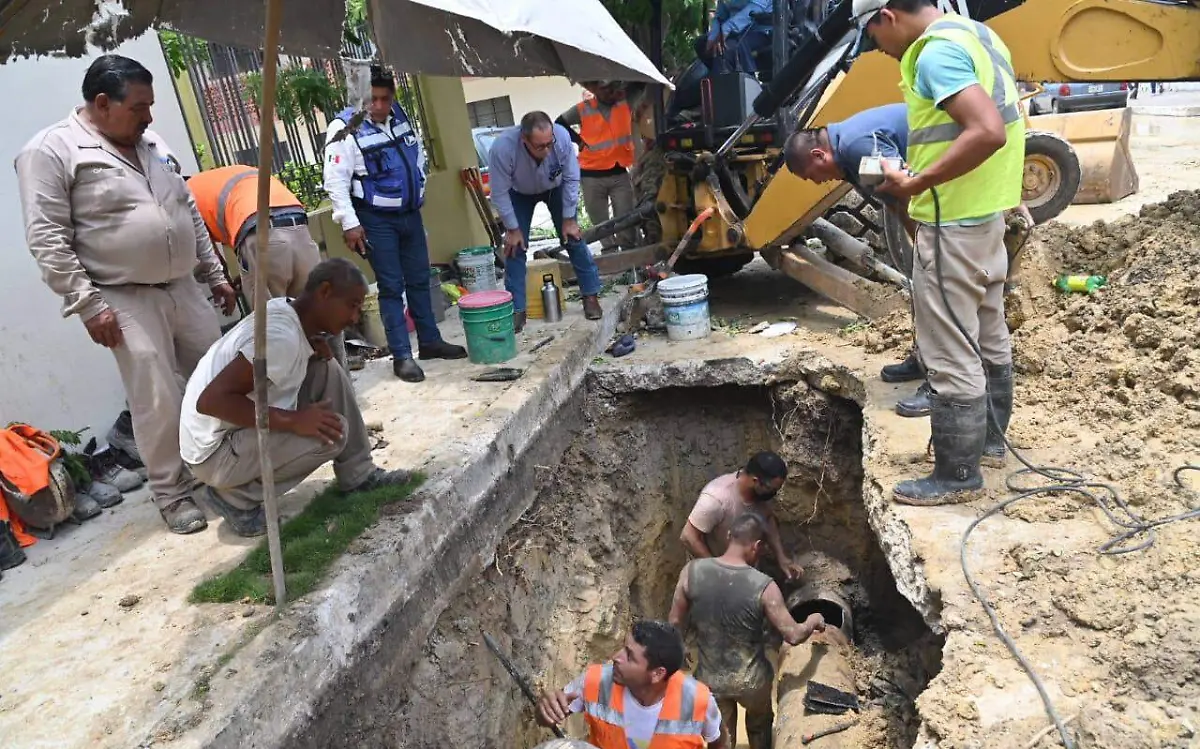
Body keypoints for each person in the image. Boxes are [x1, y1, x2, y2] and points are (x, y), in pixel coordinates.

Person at [15, 54, 237, 535]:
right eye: (139, 107)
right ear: (101, 103)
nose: (150, 116)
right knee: (155, 396)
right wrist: (89, 306)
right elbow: (47, 238)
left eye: (151, 105)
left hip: (183, 285)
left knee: (221, 376)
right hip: (122, 296)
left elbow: (187, 209)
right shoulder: (52, 151)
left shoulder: (150, 142)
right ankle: (173, 493)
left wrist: (214, 271)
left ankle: (227, 472)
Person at [853, 0, 1024, 504]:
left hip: (953, 222)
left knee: (950, 351)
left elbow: (987, 130)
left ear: (886, 15)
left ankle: (957, 476)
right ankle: (990, 444)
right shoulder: (978, 36)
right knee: (989, 334)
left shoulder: (934, 55)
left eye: (871, 36)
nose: (877, 49)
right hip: (986, 215)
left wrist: (916, 182)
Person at [179, 259, 412, 537]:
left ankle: (359, 474)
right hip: (213, 454)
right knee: (332, 434)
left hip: (229, 436)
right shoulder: (281, 339)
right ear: (324, 292)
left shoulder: (287, 312)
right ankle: (235, 500)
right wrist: (293, 421)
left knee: (325, 367)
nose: (354, 317)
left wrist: (307, 348)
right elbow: (211, 402)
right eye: (351, 305)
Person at [323, 65, 466, 383]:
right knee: (392, 288)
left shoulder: (398, 116)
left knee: (419, 278)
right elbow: (335, 180)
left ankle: (429, 341)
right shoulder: (345, 127)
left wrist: (420, 189)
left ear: (392, 97)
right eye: (371, 99)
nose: (377, 106)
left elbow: (417, 155)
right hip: (375, 219)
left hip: (410, 215)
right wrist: (349, 223)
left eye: (384, 99)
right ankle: (402, 356)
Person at [669, 513, 826, 749]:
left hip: (710, 680)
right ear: (758, 546)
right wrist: (813, 619)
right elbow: (792, 634)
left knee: (720, 738)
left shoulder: (691, 572)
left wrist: (679, 651)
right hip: (752, 681)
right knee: (760, 726)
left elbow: (674, 622)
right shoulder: (763, 585)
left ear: (730, 536)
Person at [488, 111, 604, 333]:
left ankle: (590, 296)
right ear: (524, 140)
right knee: (515, 248)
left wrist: (569, 219)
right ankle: (517, 310)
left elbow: (571, 178)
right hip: (519, 193)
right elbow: (499, 193)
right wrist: (512, 228)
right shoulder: (502, 149)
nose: (547, 150)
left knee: (573, 238)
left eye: (549, 144)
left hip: (555, 188)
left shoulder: (560, 138)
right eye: (539, 146)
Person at [536, 620, 730, 749]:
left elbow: (719, 741)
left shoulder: (696, 700)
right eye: (623, 648)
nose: (615, 657)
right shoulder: (595, 681)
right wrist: (545, 711)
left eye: (629, 656)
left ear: (657, 673)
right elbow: (545, 717)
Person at [679, 451, 804, 580]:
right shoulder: (717, 499)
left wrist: (781, 557)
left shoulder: (760, 494)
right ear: (756, 481)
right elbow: (688, 536)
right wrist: (717, 569)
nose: (775, 494)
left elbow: (768, 518)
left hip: (745, 573)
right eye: (772, 490)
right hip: (710, 575)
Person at [556, 82, 640, 254]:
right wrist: (578, 140)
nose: (610, 92)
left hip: (619, 170)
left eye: (612, 88)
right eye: (605, 89)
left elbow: (640, 89)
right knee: (599, 219)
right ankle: (609, 250)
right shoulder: (583, 109)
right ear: (595, 90)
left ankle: (628, 251)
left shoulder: (624, 103)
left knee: (626, 215)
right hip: (591, 174)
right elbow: (559, 123)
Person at [696, 0, 775, 75]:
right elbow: (720, 15)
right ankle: (722, 78)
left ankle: (746, 81)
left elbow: (754, 9)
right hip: (735, 32)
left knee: (726, 49)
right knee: (702, 44)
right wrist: (712, 38)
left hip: (762, 32)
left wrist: (725, 30)